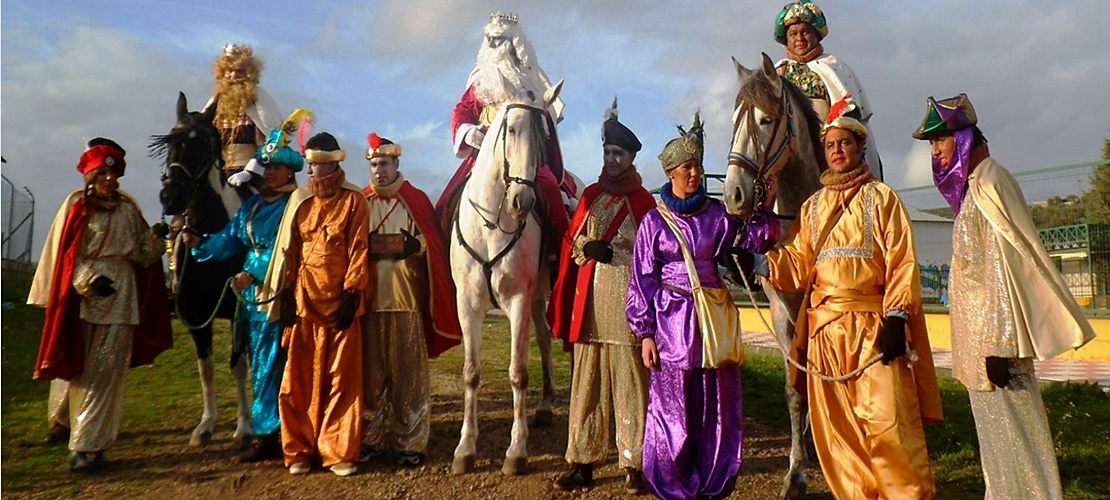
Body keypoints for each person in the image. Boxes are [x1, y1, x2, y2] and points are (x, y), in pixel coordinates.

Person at [753, 103, 943, 499]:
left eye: (845, 143)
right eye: (830, 145)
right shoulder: (812, 207)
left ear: (860, 147)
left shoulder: (884, 198)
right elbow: (795, 266)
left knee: (889, 427)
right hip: (825, 338)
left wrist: (895, 318)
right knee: (839, 436)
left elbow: (901, 261)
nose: (837, 151)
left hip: (874, 334)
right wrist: (758, 260)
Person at [914, 93, 1096, 499]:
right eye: (931, 144)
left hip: (998, 345)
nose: (936, 151)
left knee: (1021, 439)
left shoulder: (991, 182)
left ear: (963, 139)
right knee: (997, 442)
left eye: (941, 140)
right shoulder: (972, 190)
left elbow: (1006, 265)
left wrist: (1000, 344)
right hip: (978, 346)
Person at [625, 113, 751, 500]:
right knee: (673, 408)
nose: (695, 173)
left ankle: (714, 480)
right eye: (687, 167)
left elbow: (751, 237)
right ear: (670, 173)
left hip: (713, 324)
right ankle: (673, 483)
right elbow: (642, 280)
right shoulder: (653, 223)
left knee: (716, 406)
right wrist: (644, 334)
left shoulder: (718, 216)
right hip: (670, 327)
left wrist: (766, 207)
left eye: (698, 165)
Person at [28, 138, 172, 471]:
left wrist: (158, 238)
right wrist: (85, 282)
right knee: (85, 372)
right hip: (86, 300)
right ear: (90, 176)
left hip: (122, 300)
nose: (109, 180)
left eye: (113, 175)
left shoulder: (127, 208)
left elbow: (141, 253)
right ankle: (81, 444)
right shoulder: (77, 205)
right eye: (102, 175)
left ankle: (92, 444)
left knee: (109, 374)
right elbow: (68, 254)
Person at [181, 112, 310, 462]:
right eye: (265, 167)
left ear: (289, 172)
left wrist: (254, 272)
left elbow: (289, 247)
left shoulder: (295, 205)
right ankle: (268, 431)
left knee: (279, 364)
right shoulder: (252, 206)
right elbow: (231, 239)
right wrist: (200, 243)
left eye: (275, 168)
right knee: (260, 365)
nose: (268, 173)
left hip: (284, 295)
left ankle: (280, 435)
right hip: (254, 301)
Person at [548, 100, 655, 494]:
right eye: (607, 152)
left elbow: (653, 255)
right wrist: (588, 247)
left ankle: (634, 463)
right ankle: (583, 461)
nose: (612, 159)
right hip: (591, 305)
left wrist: (622, 254)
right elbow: (573, 244)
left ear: (631, 157)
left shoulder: (644, 202)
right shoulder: (591, 196)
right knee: (587, 383)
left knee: (631, 383)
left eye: (618, 154)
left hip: (628, 305)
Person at [261, 132, 369, 476]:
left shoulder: (354, 202)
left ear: (332, 166)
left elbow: (358, 249)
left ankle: (338, 452)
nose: (309, 172)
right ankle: (299, 451)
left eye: (315, 166)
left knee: (342, 380)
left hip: (340, 306)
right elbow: (290, 251)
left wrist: (352, 293)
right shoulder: (301, 202)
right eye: (308, 166)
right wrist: (289, 295)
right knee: (298, 380)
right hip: (305, 303)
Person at [436, 12, 574, 262]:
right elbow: (462, 111)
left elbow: (543, 117)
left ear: (514, 43)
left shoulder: (530, 79)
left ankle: (559, 255)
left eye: (499, 40)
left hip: (523, 153)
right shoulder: (480, 79)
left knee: (551, 192)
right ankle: (444, 262)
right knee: (444, 204)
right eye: (490, 40)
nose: (493, 46)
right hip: (484, 155)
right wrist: (469, 133)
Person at [359, 133, 462, 466]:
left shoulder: (415, 199)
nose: (379, 171)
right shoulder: (361, 202)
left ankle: (410, 443)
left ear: (396, 164)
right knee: (369, 377)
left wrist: (413, 248)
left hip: (406, 304)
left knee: (409, 377)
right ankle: (368, 439)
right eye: (374, 165)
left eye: (384, 164)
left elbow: (431, 247)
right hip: (371, 305)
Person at [774, 0, 883, 179]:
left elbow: (850, 111)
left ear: (816, 35)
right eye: (793, 34)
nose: (799, 39)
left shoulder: (834, 67)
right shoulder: (779, 72)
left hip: (831, 148)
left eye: (805, 32)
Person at [204, 44, 282, 192]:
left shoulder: (259, 99)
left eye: (238, 71)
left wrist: (250, 171)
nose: (233, 76)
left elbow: (272, 140)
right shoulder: (216, 101)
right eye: (228, 71)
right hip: (217, 175)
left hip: (252, 176)